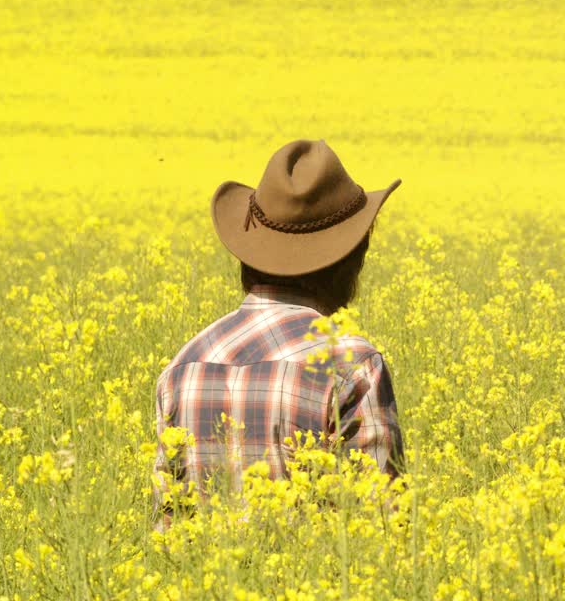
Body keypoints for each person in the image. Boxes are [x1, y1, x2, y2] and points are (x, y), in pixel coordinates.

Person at [152, 139, 404, 525]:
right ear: (351, 258)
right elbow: (385, 529)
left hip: (204, 585)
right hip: (320, 586)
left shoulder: (182, 369)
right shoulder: (353, 366)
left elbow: (167, 534)